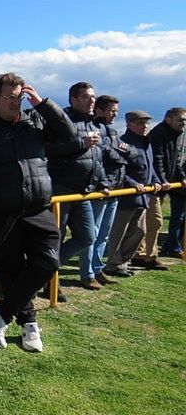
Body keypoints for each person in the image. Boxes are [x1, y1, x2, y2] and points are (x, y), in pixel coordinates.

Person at [0, 73, 76, 352]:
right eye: (9, 97)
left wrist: (43, 104)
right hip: (3, 213)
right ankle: (29, 323)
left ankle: (2, 312)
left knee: (48, 263)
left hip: (39, 209)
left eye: (19, 96)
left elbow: (68, 135)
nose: (16, 102)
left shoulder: (34, 121)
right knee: (11, 271)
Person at [45, 82, 109, 299]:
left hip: (83, 192)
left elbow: (96, 158)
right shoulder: (61, 121)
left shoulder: (95, 124)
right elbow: (47, 150)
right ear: (73, 99)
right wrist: (80, 143)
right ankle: (50, 282)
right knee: (56, 238)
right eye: (86, 97)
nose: (92, 101)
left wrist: (102, 183)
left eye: (93, 97)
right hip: (61, 191)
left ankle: (43, 270)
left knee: (87, 237)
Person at [104, 111, 164, 277]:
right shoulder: (124, 143)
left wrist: (156, 181)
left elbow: (150, 167)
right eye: (140, 123)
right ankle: (113, 264)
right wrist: (132, 184)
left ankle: (123, 262)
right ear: (129, 124)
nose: (145, 126)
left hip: (143, 196)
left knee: (139, 231)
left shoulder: (146, 143)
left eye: (147, 123)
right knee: (119, 232)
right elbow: (119, 169)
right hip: (126, 196)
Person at [87, 95, 130, 285]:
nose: (114, 115)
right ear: (99, 110)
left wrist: (122, 152)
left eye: (116, 111)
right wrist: (121, 153)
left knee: (104, 233)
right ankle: (87, 273)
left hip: (115, 189)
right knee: (93, 233)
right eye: (112, 111)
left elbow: (129, 151)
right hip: (100, 189)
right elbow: (105, 153)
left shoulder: (112, 131)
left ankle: (97, 269)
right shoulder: (92, 128)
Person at [150, 107, 186, 258]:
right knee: (154, 221)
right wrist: (162, 180)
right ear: (168, 119)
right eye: (180, 120)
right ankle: (145, 254)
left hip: (171, 180)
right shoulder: (159, 133)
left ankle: (172, 246)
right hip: (158, 183)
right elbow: (157, 159)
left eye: (185, 120)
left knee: (180, 215)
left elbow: (175, 160)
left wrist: (181, 177)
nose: (183, 123)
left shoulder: (177, 134)